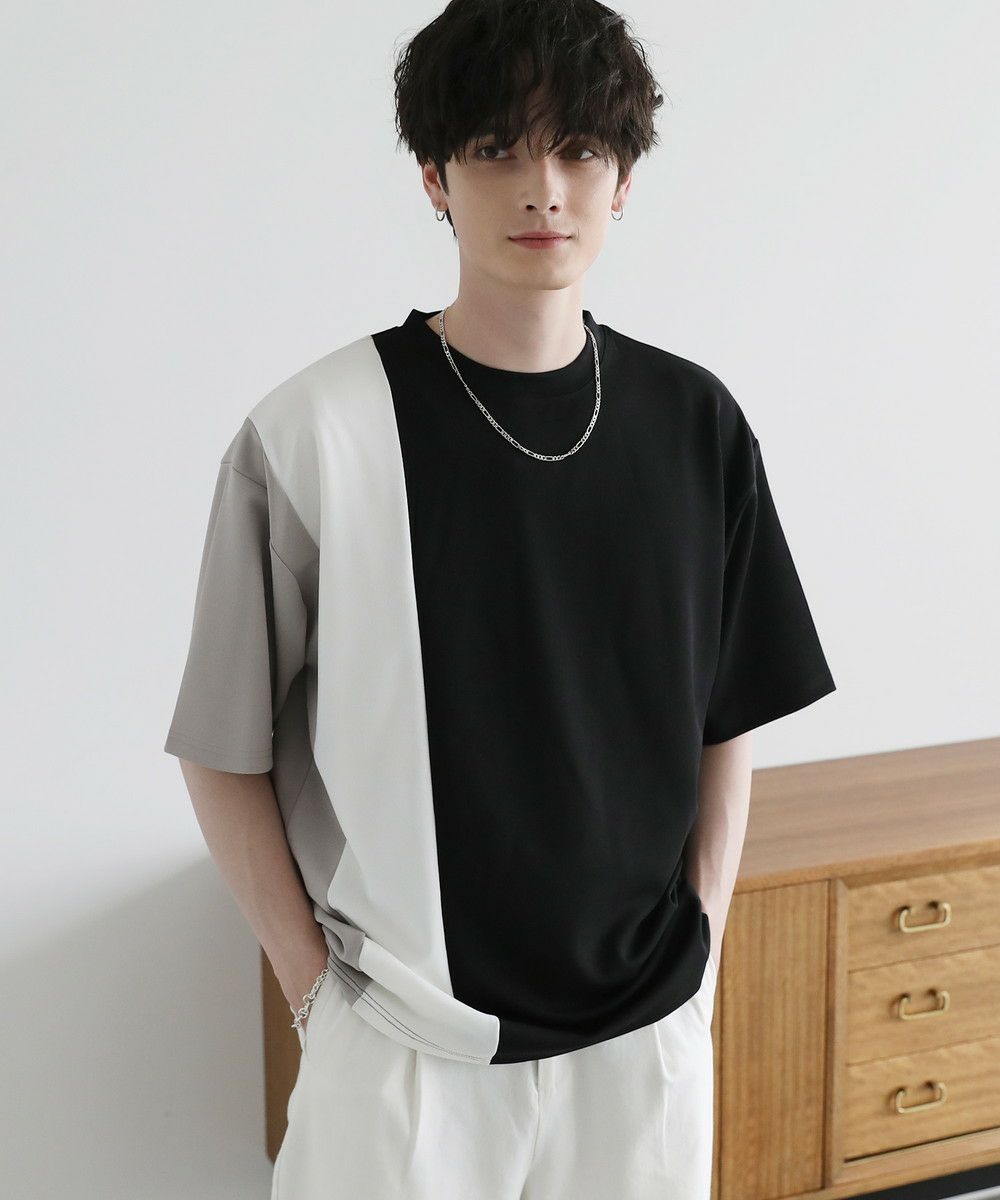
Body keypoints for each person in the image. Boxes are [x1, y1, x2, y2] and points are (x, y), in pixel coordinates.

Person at [164, 1, 836, 1196]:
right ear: (434, 176)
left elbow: (726, 713)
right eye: (495, 150)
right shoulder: (314, 434)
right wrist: (312, 992)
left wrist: (705, 936)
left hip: (643, 1037)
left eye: (578, 148)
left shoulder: (696, 425)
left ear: (622, 177)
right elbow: (222, 748)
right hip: (403, 1044)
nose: (543, 189)